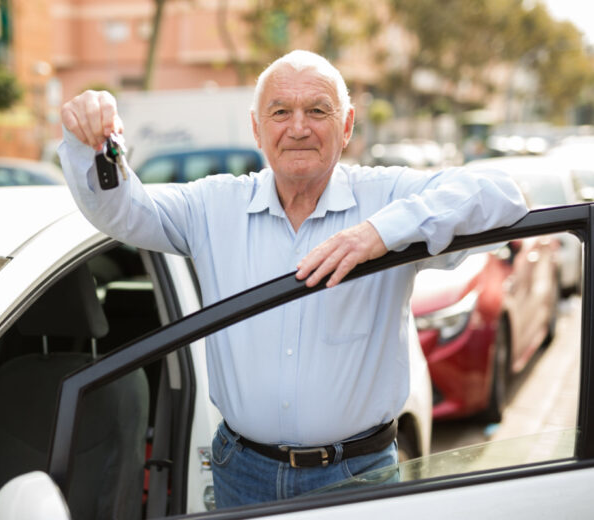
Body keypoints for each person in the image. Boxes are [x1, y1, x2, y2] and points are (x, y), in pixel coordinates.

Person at [58, 50, 527, 507]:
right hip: (240, 471)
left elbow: (503, 198)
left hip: (357, 475)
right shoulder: (213, 206)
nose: (298, 127)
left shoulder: (386, 196)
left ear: (346, 126)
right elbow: (123, 213)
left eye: (317, 110)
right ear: (256, 128)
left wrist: (379, 233)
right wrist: (88, 142)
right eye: (280, 111)